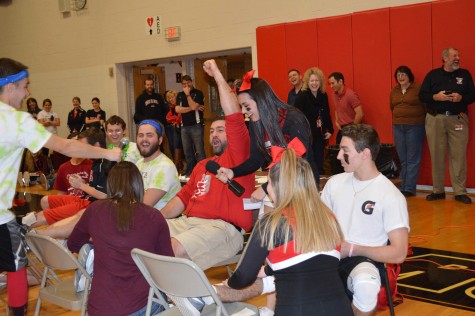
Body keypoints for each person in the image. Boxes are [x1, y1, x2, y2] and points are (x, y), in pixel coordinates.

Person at [0, 57, 121, 316]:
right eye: (24, 86)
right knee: (17, 266)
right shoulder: (15, 121)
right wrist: (108, 154)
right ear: (9, 87)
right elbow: (65, 146)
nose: (28, 92)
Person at [223, 148, 352, 315]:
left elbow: (244, 277)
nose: (267, 189)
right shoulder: (328, 218)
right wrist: (267, 271)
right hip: (339, 308)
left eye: (268, 183)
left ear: (279, 186)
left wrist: (230, 283)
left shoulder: (272, 223)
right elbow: (307, 260)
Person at [160, 60, 255, 270]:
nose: (214, 135)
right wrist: (155, 219)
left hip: (221, 228)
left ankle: (182, 297)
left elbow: (234, 116)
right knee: (141, 235)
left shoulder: (238, 158)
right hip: (188, 223)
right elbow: (183, 198)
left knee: (170, 248)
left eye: (220, 130)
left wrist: (217, 76)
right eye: (211, 131)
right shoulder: (203, 165)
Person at [321, 124, 409, 316]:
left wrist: (353, 249)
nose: (338, 156)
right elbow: (319, 226)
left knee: (365, 284)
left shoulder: (390, 195)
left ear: (365, 153)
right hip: (330, 255)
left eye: (345, 151)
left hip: (364, 259)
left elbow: (399, 253)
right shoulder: (334, 183)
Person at [67, 161, 173, 316]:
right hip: (139, 306)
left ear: (110, 184)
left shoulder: (95, 210)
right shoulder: (154, 217)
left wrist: (98, 240)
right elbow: (167, 265)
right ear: (138, 185)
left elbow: (73, 243)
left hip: (98, 308)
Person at [216, 69, 319, 202]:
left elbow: (296, 164)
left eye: (246, 106)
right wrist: (233, 172)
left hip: (302, 184)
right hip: (278, 185)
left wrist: (265, 188)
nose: (243, 111)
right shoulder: (256, 122)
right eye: (241, 107)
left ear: (261, 100)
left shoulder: (293, 119)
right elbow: (255, 160)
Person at [419, 47, 475, 204]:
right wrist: (436, 97)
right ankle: (438, 190)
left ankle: (459, 192)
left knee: (459, 155)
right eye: (454, 56)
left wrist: (461, 97)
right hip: (435, 119)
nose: (457, 58)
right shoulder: (432, 75)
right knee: (437, 155)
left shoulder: (465, 75)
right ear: (444, 59)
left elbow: (473, 95)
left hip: (458, 119)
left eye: (458, 55)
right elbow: (422, 95)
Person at [30, 128, 113, 228]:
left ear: (96, 146)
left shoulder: (103, 164)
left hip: (89, 204)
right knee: (45, 201)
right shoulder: (95, 161)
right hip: (84, 199)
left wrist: (81, 185)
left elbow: (104, 195)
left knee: (44, 216)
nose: (79, 149)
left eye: (83, 146)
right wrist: (84, 184)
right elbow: (61, 193)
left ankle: (24, 227)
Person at [390, 66, 426, 197]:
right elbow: (392, 107)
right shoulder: (394, 91)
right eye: (398, 75)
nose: (401, 77)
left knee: (412, 159)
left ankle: (409, 188)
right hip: (398, 127)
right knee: (403, 159)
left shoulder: (418, 88)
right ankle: (401, 186)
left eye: (403, 74)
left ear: (409, 75)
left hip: (415, 126)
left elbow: (425, 106)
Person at [135, 119, 181, 210]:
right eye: (140, 135)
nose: (144, 139)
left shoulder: (164, 166)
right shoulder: (139, 163)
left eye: (149, 135)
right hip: (142, 219)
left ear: (160, 140)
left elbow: (143, 205)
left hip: (163, 222)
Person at [294, 67, 333, 174]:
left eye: (316, 80)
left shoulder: (324, 95)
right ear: (307, 82)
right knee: (308, 164)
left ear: (320, 82)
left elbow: (326, 114)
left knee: (319, 163)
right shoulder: (302, 97)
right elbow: (295, 117)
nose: (314, 83)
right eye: (312, 81)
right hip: (306, 136)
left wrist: (330, 129)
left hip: (320, 135)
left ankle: (319, 187)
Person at [175, 75, 206, 176]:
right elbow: (177, 110)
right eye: (184, 84)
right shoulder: (180, 95)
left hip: (196, 126)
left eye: (188, 83)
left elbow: (193, 105)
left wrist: (188, 95)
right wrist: (192, 108)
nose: (186, 86)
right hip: (184, 127)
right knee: (187, 152)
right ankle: (190, 172)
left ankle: (202, 172)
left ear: (191, 82)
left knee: (200, 151)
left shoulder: (198, 93)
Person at [328, 72, 364, 144]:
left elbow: (360, 114)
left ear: (340, 81)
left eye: (333, 83)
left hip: (352, 128)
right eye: (330, 84)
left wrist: (352, 129)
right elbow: (337, 108)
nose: (331, 86)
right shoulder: (334, 94)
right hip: (342, 129)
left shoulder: (350, 94)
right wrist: (337, 121)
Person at [165, 90, 184, 172]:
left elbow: (180, 117)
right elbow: (168, 118)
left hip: (183, 128)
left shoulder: (180, 105)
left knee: (177, 144)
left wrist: (175, 121)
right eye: (169, 98)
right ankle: (177, 164)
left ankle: (177, 164)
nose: (171, 99)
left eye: (172, 97)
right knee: (173, 145)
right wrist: (175, 121)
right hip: (174, 128)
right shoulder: (170, 108)